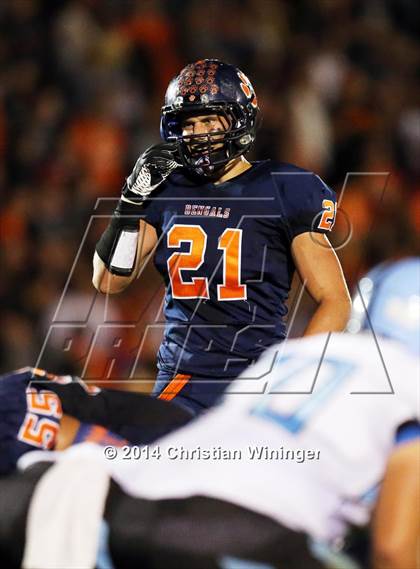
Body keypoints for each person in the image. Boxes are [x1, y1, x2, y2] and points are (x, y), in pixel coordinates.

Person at [0, 257, 418, 569]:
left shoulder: (294, 355)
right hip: (240, 528)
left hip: (114, 496)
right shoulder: (408, 380)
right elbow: (395, 547)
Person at [92, 59, 351, 415]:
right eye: (189, 123)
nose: (198, 133)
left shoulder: (284, 188)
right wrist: (130, 201)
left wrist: (291, 377)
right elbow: (107, 280)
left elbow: (335, 300)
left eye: (209, 120)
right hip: (183, 380)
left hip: (257, 379)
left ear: (238, 119)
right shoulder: (167, 188)